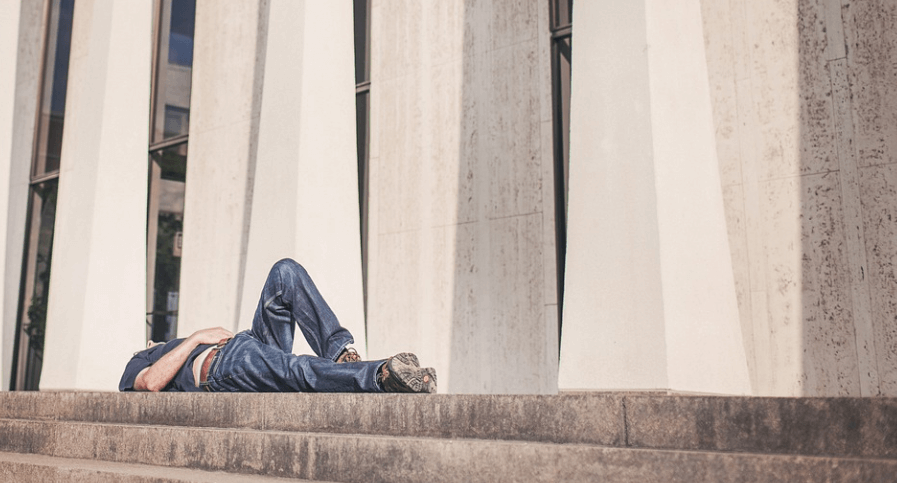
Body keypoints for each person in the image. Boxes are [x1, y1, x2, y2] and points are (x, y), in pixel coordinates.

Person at [119, 258, 436, 394]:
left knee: (285, 271)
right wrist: (196, 338)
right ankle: (381, 375)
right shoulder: (142, 359)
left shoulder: (169, 349)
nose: (153, 342)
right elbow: (150, 384)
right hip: (224, 367)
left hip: (245, 343)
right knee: (295, 369)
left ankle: (339, 352)